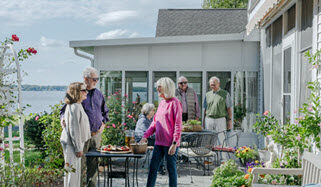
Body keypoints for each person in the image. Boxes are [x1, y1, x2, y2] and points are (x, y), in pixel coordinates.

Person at [60, 67, 109, 187]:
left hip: (95, 135)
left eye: (97, 79)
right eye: (94, 79)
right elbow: (64, 110)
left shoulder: (99, 94)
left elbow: (105, 112)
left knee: (93, 165)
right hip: (81, 136)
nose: (96, 81)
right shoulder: (77, 93)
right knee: (78, 165)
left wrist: (103, 124)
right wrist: (63, 119)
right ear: (86, 79)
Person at [140, 77, 182, 187]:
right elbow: (155, 123)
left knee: (171, 170)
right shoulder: (162, 103)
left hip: (170, 144)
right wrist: (145, 136)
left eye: (159, 87)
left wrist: (174, 144)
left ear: (166, 88)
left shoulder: (175, 103)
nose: (157, 89)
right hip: (158, 143)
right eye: (157, 87)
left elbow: (178, 125)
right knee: (153, 169)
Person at [60, 82, 91, 187]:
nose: (86, 92)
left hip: (73, 143)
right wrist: (78, 148)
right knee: (72, 174)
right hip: (72, 145)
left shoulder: (77, 105)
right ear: (76, 92)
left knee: (72, 172)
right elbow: (74, 129)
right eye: (83, 90)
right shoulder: (75, 107)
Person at [203, 76, 232, 144]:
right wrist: (204, 122)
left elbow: (229, 109)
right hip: (209, 119)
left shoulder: (225, 94)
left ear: (218, 84)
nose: (212, 86)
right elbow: (205, 109)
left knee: (221, 140)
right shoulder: (207, 95)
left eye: (214, 84)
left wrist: (230, 121)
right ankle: (210, 154)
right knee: (208, 140)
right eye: (211, 85)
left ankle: (222, 155)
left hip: (220, 119)